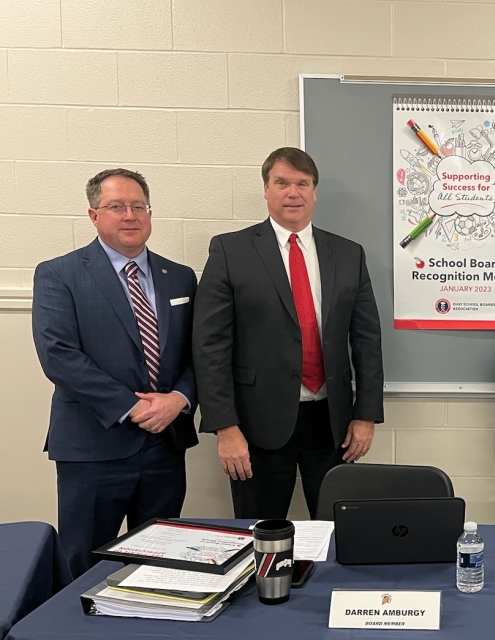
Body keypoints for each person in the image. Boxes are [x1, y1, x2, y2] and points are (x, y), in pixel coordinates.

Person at [193, 147, 384, 520]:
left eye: (302, 183)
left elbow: (367, 341)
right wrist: (224, 427)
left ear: (314, 192)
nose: (292, 192)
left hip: (333, 424)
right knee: (261, 535)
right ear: (266, 190)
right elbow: (209, 345)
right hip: (255, 424)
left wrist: (366, 415)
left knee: (337, 534)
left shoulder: (347, 254)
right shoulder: (230, 250)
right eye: (282, 183)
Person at [32, 169, 198, 577]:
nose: (129, 215)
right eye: (116, 207)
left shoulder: (180, 276)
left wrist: (178, 400)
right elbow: (59, 355)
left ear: (150, 212)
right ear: (93, 215)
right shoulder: (59, 273)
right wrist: (131, 407)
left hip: (165, 446)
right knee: (84, 566)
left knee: (158, 565)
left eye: (138, 206)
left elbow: (200, 354)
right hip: (92, 447)